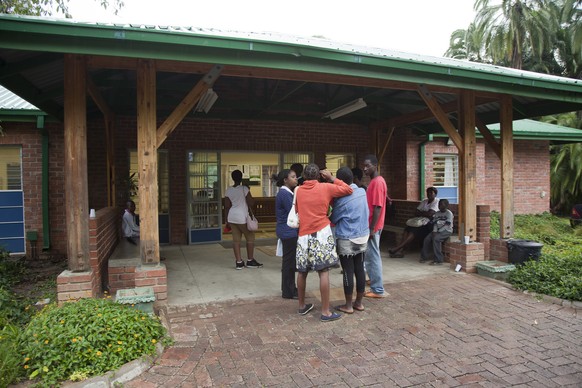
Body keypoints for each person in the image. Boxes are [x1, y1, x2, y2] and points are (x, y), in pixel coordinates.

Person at [295, 163, 353, 322]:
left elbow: (297, 212)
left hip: (303, 235)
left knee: (302, 272)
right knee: (324, 272)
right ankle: (326, 311)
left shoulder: (298, 191)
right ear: (320, 176)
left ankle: (301, 306)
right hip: (321, 233)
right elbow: (349, 189)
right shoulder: (326, 187)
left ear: (304, 176)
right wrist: (332, 178)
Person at [330, 167, 369, 314]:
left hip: (347, 238)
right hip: (362, 236)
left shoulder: (341, 199)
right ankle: (358, 302)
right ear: (352, 178)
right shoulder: (362, 192)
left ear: (339, 182)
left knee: (347, 271)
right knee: (359, 269)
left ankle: (348, 305)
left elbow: (334, 219)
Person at [224, 169, 263, 270]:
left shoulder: (228, 190)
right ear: (241, 178)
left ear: (232, 178)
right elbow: (251, 203)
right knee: (250, 238)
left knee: (236, 240)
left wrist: (226, 220)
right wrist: (249, 192)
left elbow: (227, 206)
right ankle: (250, 260)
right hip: (242, 217)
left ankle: (239, 262)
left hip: (232, 216)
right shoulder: (244, 189)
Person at [363, 155, 388, 298]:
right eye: (364, 166)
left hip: (373, 226)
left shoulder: (377, 182)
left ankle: (377, 289)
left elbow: (377, 207)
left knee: (373, 257)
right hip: (372, 225)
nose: (365, 169)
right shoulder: (375, 181)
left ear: (375, 166)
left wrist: (372, 228)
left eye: (368, 166)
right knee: (370, 256)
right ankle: (373, 281)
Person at [389, 187, 440, 258]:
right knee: (407, 229)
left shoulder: (437, 202)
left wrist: (422, 213)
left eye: (431, 193)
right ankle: (401, 250)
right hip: (419, 222)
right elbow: (416, 212)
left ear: (435, 194)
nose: (429, 194)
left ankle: (398, 248)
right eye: (428, 193)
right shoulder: (425, 201)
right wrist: (425, 213)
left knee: (413, 231)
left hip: (429, 225)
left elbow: (430, 214)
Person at [275, 169, 299, 299]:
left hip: (288, 231)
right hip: (288, 231)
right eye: (293, 177)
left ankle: (290, 288)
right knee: (289, 263)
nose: (296, 179)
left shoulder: (287, 193)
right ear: (285, 180)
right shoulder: (284, 194)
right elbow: (294, 210)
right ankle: (288, 291)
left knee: (289, 262)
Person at [420, 199, 453, 265]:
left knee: (436, 239)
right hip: (437, 230)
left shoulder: (449, 213)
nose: (439, 206)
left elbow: (447, 225)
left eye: (441, 204)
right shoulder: (437, 213)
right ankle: (424, 257)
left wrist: (438, 231)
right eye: (439, 204)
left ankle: (439, 260)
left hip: (446, 231)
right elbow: (434, 223)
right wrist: (435, 231)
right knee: (427, 239)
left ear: (446, 206)